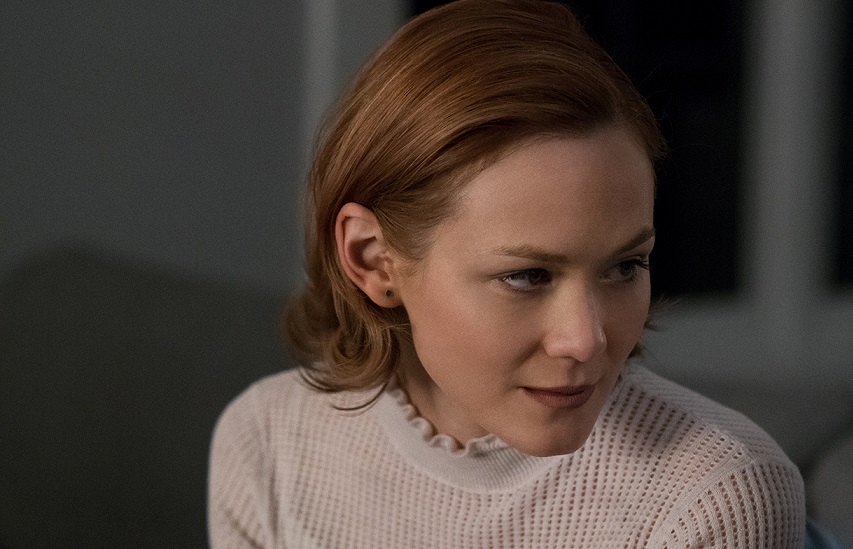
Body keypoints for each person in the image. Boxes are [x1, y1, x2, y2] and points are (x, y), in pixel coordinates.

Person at [208, 0, 806, 547]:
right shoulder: (267, 445)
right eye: (527, 276)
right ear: (372, 259)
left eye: (626, 266)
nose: (587, 340)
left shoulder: (716, 496)